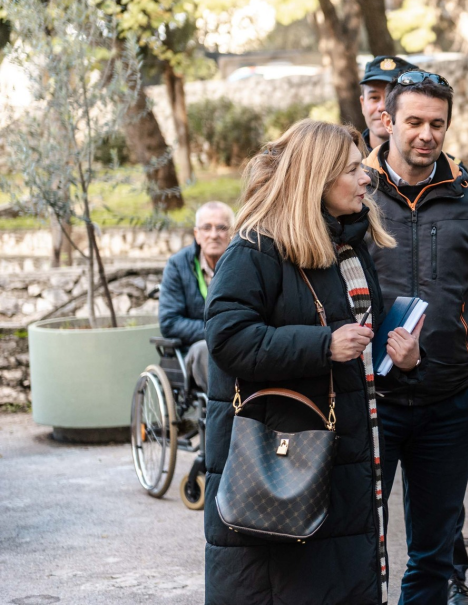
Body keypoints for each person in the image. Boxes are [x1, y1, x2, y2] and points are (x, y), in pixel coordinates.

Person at [203, 120, 422, 605]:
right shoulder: (253, 249)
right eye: (351, 170)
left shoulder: (347, 247)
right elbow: (228, 340)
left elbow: (358, 342)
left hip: (343, 459)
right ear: (315, 178)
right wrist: (322, 345)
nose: (367, 178)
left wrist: (401, 357)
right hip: (279, 466)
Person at [363, 71, 468, 604]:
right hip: (373, 404)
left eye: (437, 124)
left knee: (433, 552)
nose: (426, 134)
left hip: (450, 401)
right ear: (387, 121)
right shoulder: (353, 195)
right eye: (415, 122)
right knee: (358, 542)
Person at [158, 201, 234, 391]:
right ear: (197, 234)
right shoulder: (177, 265)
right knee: (205, 351)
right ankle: (229, 411)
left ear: (232, 233)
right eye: (207, 227)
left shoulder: (243, 264)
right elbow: (170, 322)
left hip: (237, 342)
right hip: (195, 347)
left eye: (221, 228)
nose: (214, 235)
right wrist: (215, 332)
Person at [360, 55, 419, 151]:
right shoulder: (345, 162)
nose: (382, 106)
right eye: (374, 98)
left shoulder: (442, 164)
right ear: (363, 104)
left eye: (391, 97)